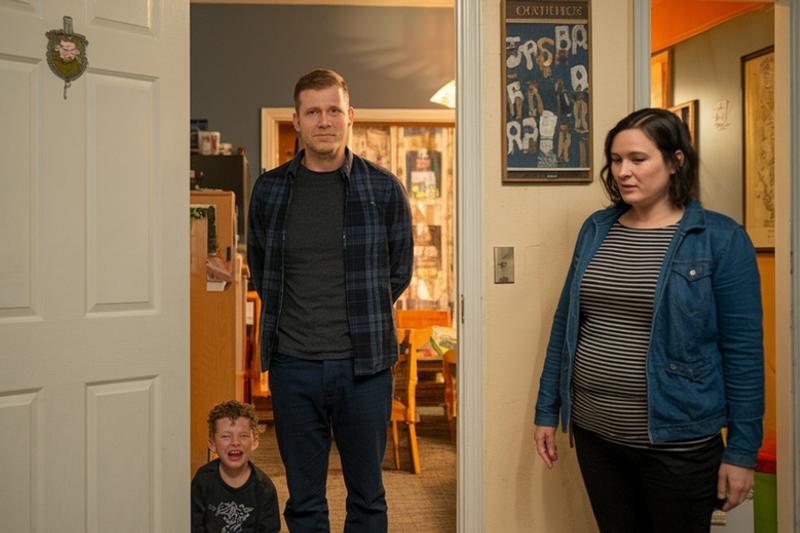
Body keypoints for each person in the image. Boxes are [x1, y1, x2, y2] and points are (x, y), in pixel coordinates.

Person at [533, 107, 764, 533]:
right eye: (616, 160)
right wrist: (548, 410)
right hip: (595, 433)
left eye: (638, 159)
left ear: (675, 161)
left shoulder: (721, 238)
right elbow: (566, 323)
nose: (623, 171)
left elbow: (743, 353)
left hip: (679, 442)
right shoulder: (597, 229)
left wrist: (742, 451)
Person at [247, 68, 413, 533]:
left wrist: (363, 313)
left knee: (368, 497)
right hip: (293, 366)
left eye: (334, 110)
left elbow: (399, 271)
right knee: (303, 500)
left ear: (350, 116)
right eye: (313, 112)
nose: (324, 121)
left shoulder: (383, 189)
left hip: (366, 369)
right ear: (296, 120)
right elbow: (262, 270)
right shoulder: (269, 190)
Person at [191, 400, 280, 533]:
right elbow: (194, 525)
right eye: (226, 436)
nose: (235, 442)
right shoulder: (203, 480)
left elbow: (269, 529)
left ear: (255, 441)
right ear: (212, 444)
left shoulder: (264, 488)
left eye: (243, 436)